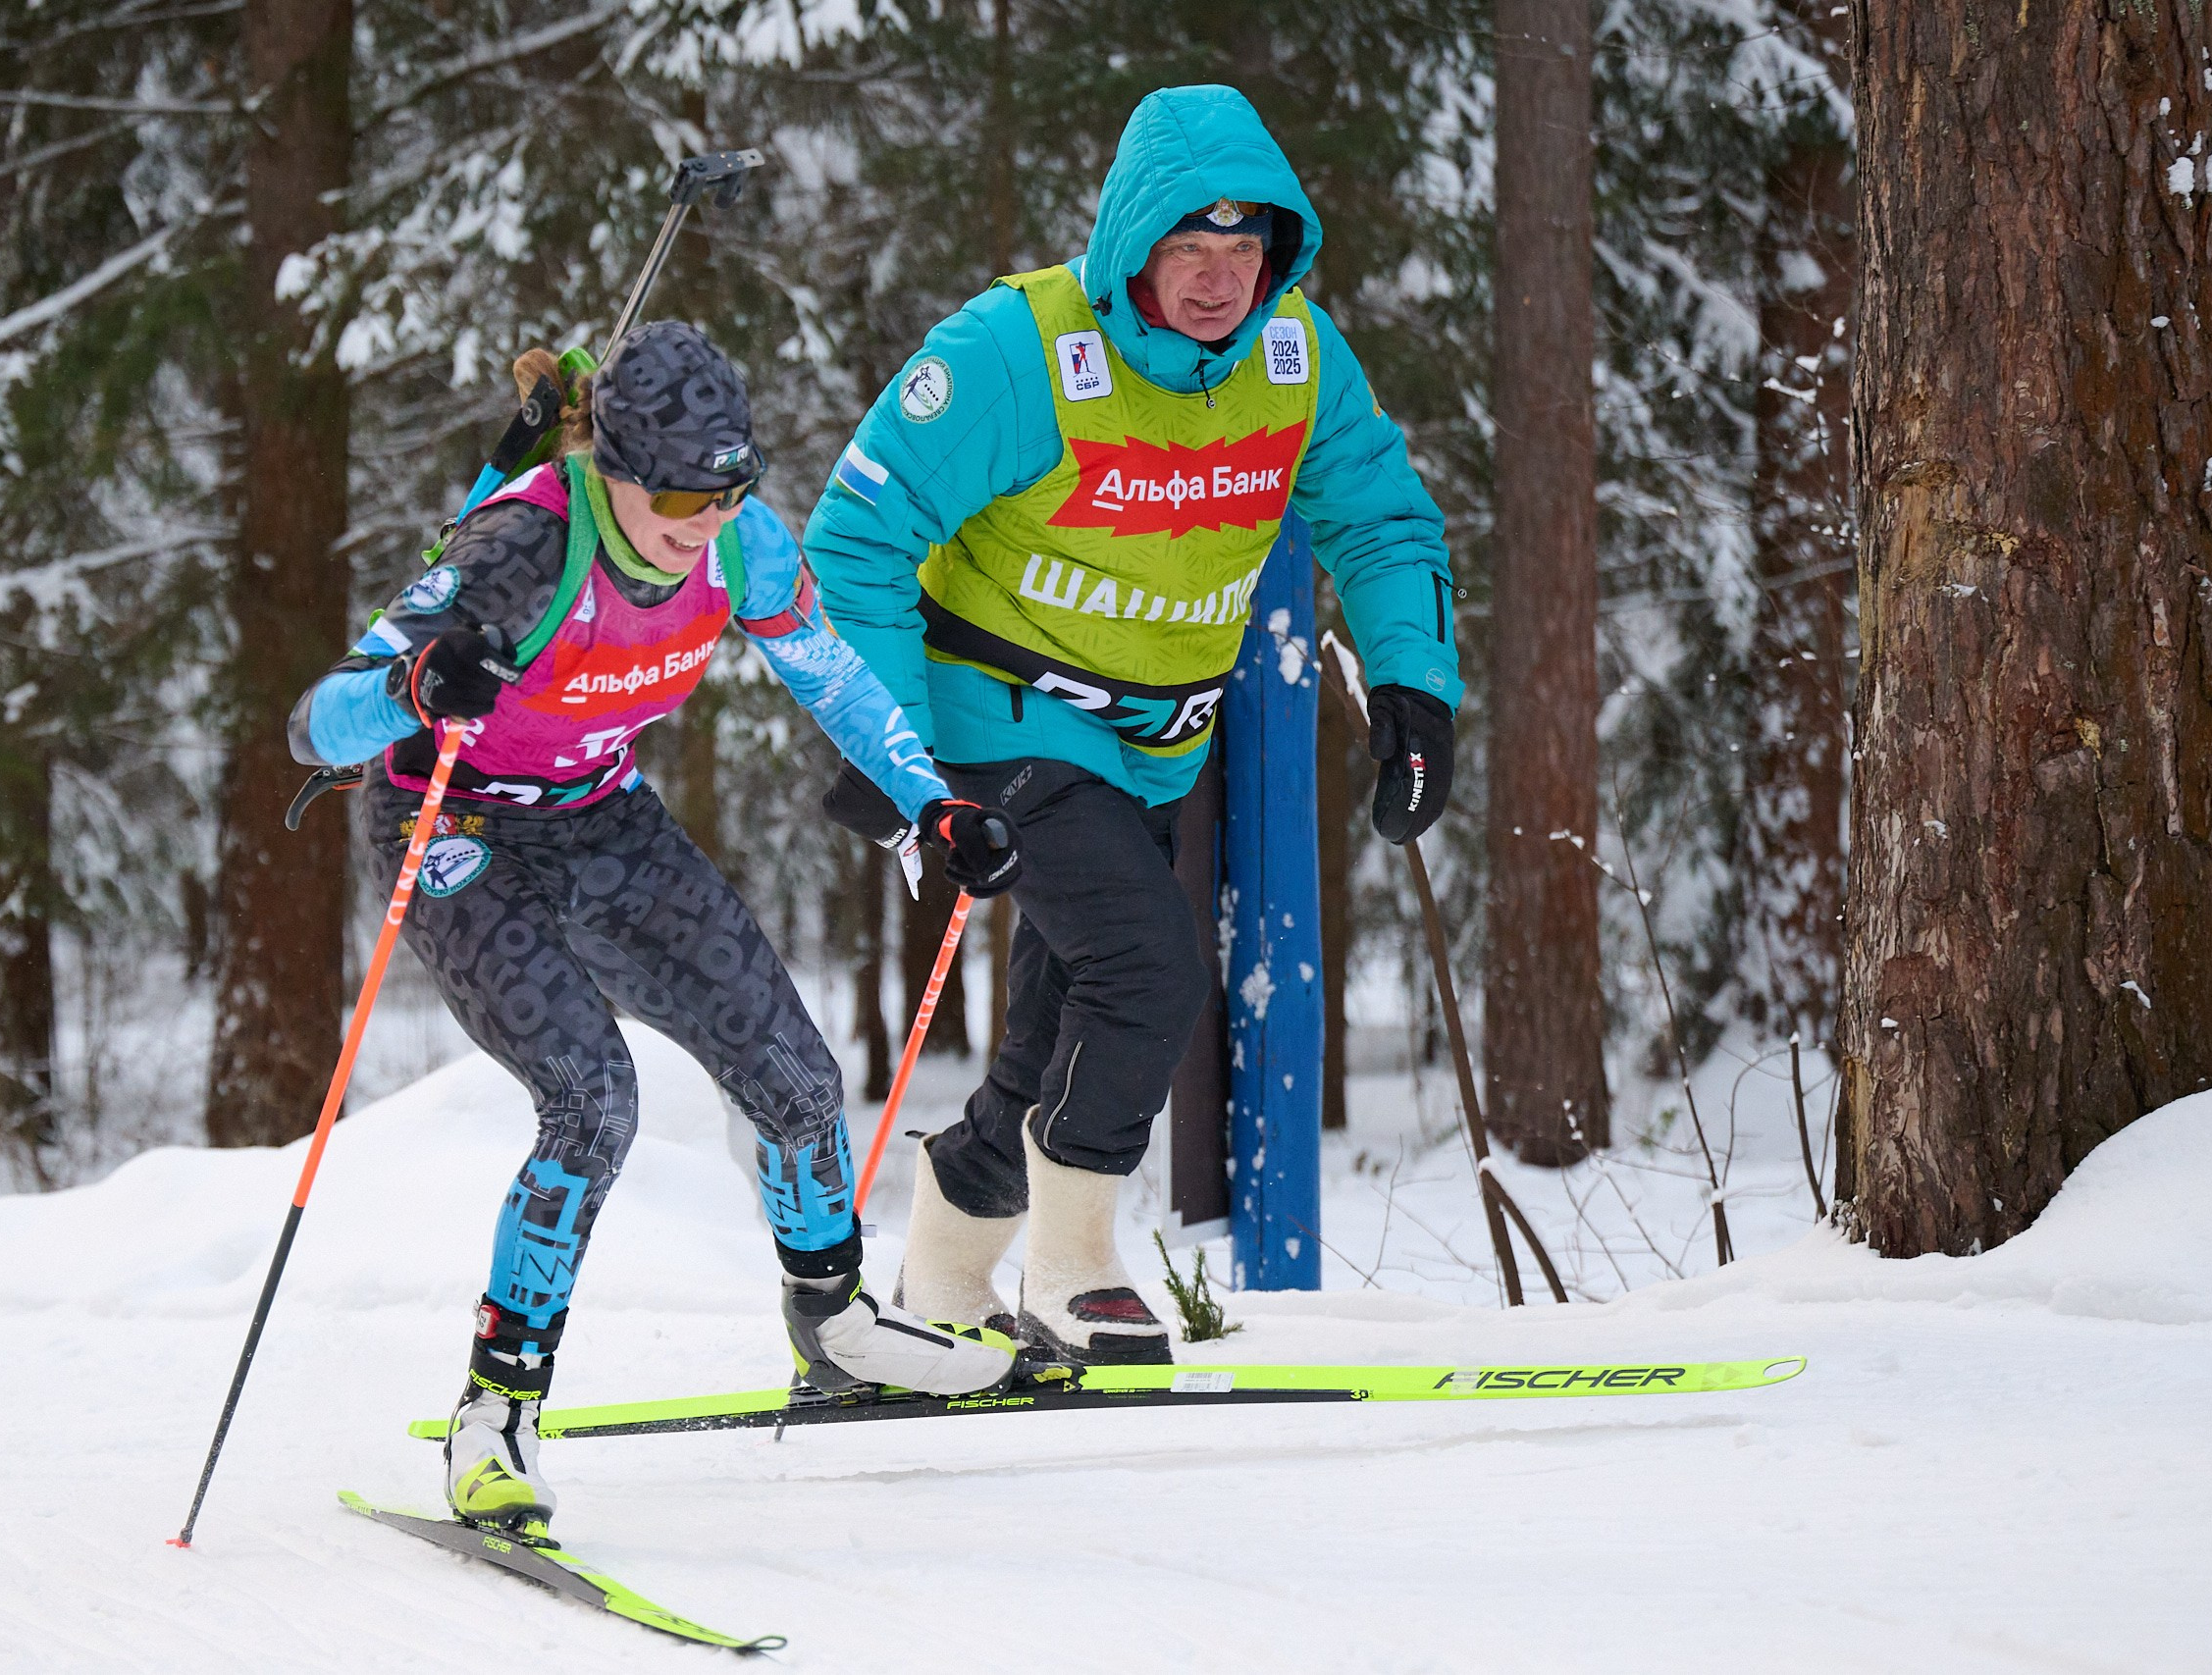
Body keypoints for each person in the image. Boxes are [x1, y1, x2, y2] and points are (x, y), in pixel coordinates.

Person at [287, 322, 1025, 1533]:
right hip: (457, 827)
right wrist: (417, 688)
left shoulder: (737, 543)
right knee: (593, 1100)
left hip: (600, 816)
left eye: (729, 488)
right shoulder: (522, 543)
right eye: (681, 492)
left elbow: (829, 671)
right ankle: (496, 1417)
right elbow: (315, 726)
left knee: (794, 1075)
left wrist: (932, 804)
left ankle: (834, 1326)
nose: (704, 517)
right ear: (613, 468)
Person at [805, 84, 1463, 1365]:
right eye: (1187, 251)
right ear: (1130, 247)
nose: (1219, 282)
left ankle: (942, 1278)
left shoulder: (1298, 360)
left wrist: (1413, 688)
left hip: (1151, 746)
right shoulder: (1017, 351)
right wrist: (891, 762)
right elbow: (858, 536)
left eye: (1244, 254)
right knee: (1154, 966)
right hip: (992, 718)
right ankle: (1074, 1269)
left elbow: (1383, 516)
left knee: (1064, 1027)